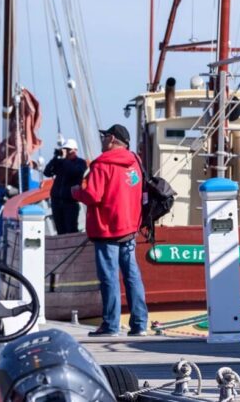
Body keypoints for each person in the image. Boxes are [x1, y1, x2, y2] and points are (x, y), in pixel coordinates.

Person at [71, 124, 148, 337]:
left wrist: (76, 192)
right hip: (129, 227)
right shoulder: (135, 162)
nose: (102, 140)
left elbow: (93, 195)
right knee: (132, 275)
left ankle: (111, 325)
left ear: (112, 139)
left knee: (109, 278)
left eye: (104, 136)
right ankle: (140, 324)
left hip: (107, 229)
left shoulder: (101, 165)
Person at [43, 138, 88, 234]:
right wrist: (55, 158)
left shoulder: (80, 163)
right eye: (65, 150)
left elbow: (74, 172)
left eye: (68, 150)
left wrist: (64, 160)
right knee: (60, 230)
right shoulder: (61, 162)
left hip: (70, 202)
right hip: (57, 201)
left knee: (71, 229)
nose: (66, 152)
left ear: (74, 150)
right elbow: (47, 172)